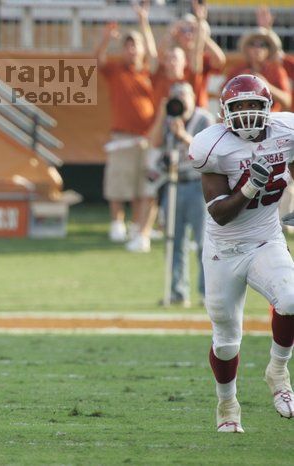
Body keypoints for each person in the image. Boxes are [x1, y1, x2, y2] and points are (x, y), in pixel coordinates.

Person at [190, 74, 294, 432]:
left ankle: (278, 371)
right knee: (226, 341)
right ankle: (227, 404)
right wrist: (251, 185)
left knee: (292, 299)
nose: (247, 113)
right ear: (224, 112)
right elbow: (218, 212)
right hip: (225, 249)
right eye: (239, 106)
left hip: (266, 238)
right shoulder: (212, 146)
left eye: (254, 105)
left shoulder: (287, 130)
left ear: (269, 108)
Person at [148, 82, 213, 306]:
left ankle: (207, 293)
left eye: (184, 95)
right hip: (174, 184)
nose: (180, 100)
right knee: (173, 241)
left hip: (198, 185)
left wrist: (183, 134)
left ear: (193, 97)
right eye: (175, 96)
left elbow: (207, 149)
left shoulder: (203, 119)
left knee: (204, 242)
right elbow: (154, 143)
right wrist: (161, 115)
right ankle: (177, 292)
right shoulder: (167, 120)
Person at [95, 9, 156, 245]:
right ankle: (116, 223)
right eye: (128, 46)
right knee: (118, 184)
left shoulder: (150, 72)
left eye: (136, 46)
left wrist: (144, 22)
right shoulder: (116, 70)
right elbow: (97, 60)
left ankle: (137, 226)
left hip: (146, 138)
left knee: (143, 187)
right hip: (122, 136)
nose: (132, 50)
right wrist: (106, 39)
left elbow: (154, 54)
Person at [227, 28, 290, 112]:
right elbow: (223, 94)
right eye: (252, 44)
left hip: (270, 119)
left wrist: (266, 85)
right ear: (247, 49)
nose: (257, 48)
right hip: (241, 118)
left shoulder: (276, 71)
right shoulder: (237, 70)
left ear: (269, 50)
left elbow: (287, 101)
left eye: (263, 45)